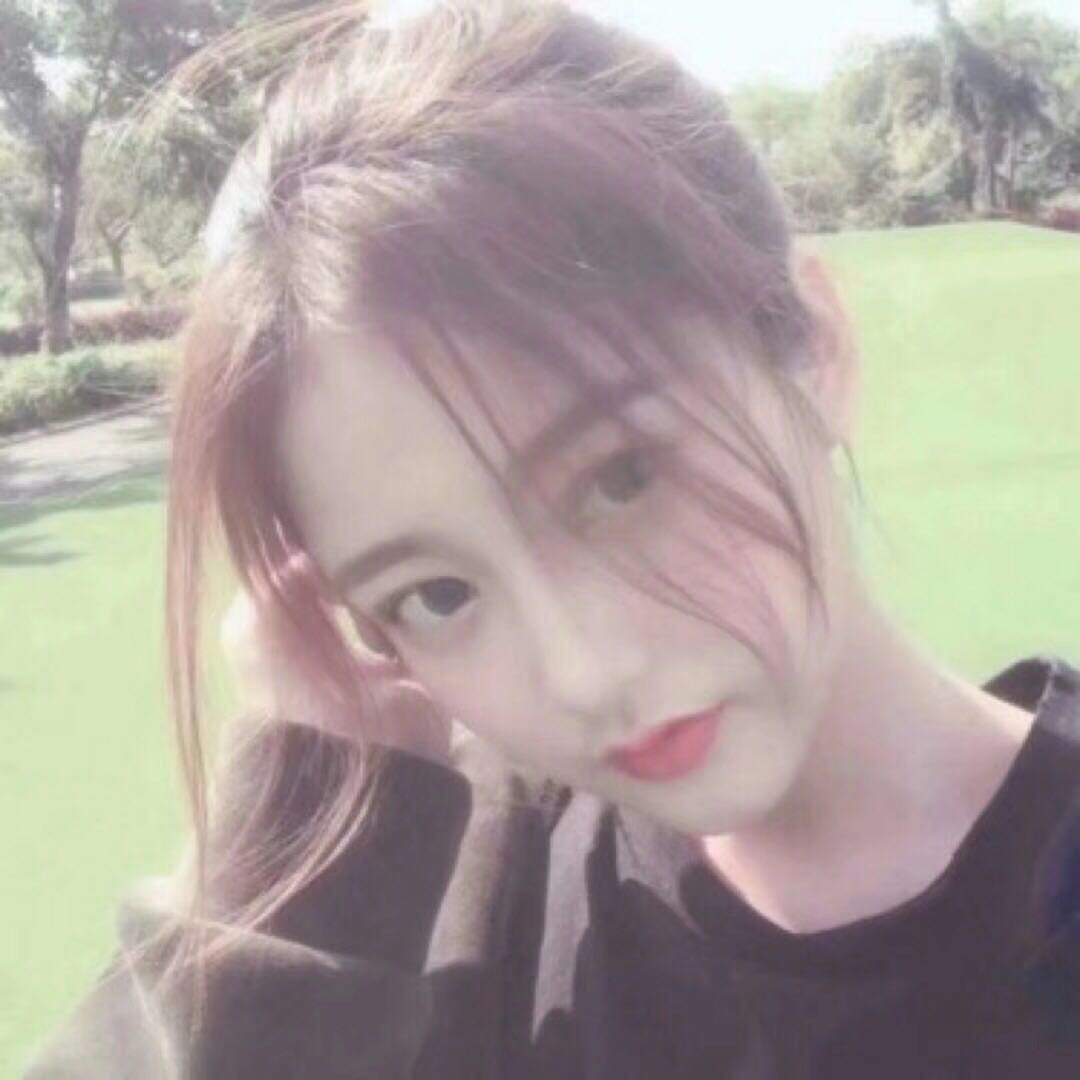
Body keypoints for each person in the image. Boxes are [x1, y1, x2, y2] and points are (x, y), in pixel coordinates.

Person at [25, 1, 1080, 1077]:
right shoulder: (441, 915)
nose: (585, 672)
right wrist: (296, 852)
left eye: (623, 479)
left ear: (815, 347)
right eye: (437, 594)